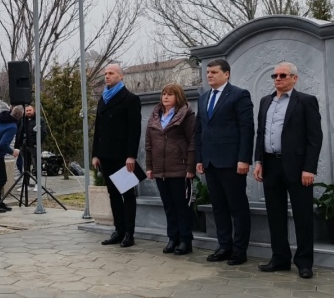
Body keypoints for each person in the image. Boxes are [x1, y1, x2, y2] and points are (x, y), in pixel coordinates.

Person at [254, 62, 323, 279]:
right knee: (275, 215)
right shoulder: (266, 102)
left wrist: (309, 168)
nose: (278, 78)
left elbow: (315, 137)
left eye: (283, 75)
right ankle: (280, 258)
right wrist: (258, 161)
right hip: (271, 165)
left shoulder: (305, 101)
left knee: (302, 215)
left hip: (297, 167)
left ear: (294, 78)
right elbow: (260, 133)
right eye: (275, 75)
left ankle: (304, 262)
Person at [195, 59, 255, 265]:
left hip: (232, 162)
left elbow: (247, 129)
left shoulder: (239, 95)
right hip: (210, 162)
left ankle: (240, 250)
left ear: (226, 74)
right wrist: (199, 158)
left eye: (213, 72)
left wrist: (244, 158)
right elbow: (199, 131)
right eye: (207, 72)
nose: (209, 75)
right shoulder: (203, 99)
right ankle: (224, 246)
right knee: (218, 206)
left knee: (237, 207)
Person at [92, 63, 142, 248]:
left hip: (122, 155)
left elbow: (134, 130)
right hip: (105, 155)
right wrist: (95, 153)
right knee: (113, 194)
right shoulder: (103, 99)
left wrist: (131, 155)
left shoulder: (130, 99)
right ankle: (118, 230)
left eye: (111, 73)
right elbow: (98, 128)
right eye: (105, 73)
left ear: (121, 76)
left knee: (127, 194)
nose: (107, 76)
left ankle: (129, 232)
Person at [145, 83, 197, 256]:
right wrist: (150, 166)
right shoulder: (155, 116)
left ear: (178, 97)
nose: (165, 97)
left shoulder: (186, 114)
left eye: (170, 94)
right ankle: (172, 238)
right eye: (164, 94)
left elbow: (193, 141)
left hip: (179, 168)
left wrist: (190, 167)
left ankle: (185, 240)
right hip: (161, 170)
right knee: (168, 206)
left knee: (182, 206)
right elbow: (149, 143)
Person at [0, 105, 23, 212]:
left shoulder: (1, 117)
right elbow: (3, 144)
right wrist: (13, 152)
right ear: (20, 117)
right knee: (2, 178)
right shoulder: (12, 126)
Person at [15, 105, 43, 190]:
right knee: (25, 166)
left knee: (36, 165)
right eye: (27, 111)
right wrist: (17, 145)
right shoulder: (22, 120)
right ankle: (26, 184)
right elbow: (18, 133)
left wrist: (37, 143)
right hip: (24, 146)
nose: (28, 112)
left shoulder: (39, 120)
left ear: (33, 110)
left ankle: (38, 184)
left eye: (30, 110)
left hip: (34, 146)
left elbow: (44, 133)